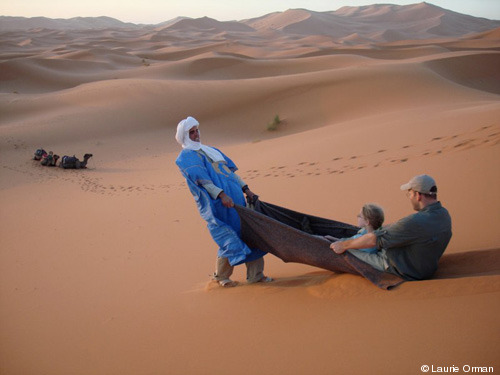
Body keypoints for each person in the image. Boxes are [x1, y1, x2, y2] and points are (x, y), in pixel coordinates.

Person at [175, 116, 272, 287]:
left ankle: (256, 275)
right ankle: (221, 277)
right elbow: (202, 181)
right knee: (230, 236)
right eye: (191, 132)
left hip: (238, 201)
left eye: (197, 130)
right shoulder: (187, 156)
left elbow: (230, 173)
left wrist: (246, 189)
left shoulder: (210, 150)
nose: (196, 134)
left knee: (252, 233)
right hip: (219, 205)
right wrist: (221, 195)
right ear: (184, 136)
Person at [330, 174, 452, 281]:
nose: (409, 197)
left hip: (397, 267)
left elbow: (374, 239)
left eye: (409, 193)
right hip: (425, 268)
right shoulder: (444, 215)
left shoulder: (415, 221)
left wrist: (344, 245)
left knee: (347, 251)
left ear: (418, 195)